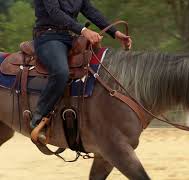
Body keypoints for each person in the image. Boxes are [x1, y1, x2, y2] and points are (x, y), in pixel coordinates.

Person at [30, 0, 132, 129]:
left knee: (99, 66)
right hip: (48, 36)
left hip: (71, 37)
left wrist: (115, 33)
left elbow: (91, 12)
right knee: (61, 72)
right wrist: (83, 30)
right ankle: (38, 116)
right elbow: (54, 12)